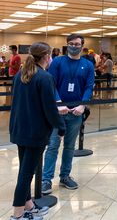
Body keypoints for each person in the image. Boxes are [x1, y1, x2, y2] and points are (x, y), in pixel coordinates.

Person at [9, 42, 66, 220]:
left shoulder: (20, 75)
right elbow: (49, 108)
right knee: (27, 173)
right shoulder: (44, 77)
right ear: (47, 57)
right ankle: (18, 213)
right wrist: (61, 126)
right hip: (35, 132)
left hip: (20, 129)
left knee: (24, 171)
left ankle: (28, 204)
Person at [42, 34, 95, 195]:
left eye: (77, 44)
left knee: (70, 146)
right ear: (67, 45)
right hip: (57, 112)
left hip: (76, 111)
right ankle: (46, 179)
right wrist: (59, 104)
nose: (74, 46)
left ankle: (65, 176)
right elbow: (51, 84)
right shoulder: (57, 62)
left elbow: (89, 86)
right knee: (53, 145)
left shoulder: (87, 64)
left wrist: (82, 105)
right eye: (71, 44)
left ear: (82, 45)